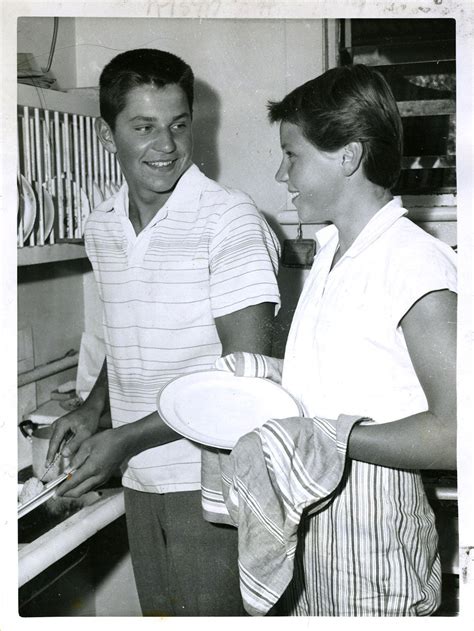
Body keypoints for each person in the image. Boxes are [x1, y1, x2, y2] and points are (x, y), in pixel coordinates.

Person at [211, 64, 457, 616]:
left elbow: (457, 435)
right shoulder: (332, 254)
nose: (280, 174)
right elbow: (349, 384)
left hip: (373, 533)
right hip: (312, 518)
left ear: (348, 156)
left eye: (292, 155)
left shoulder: (415, 264)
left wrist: (329, 437)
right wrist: (263, 376)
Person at [46, 48, 281, 616]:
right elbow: (125, 336)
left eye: (179, 125)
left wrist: (124, 437)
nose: (167, 146)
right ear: (109, 136)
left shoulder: (229, 219)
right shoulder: (101, 224)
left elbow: (240, 385)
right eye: (144, 127)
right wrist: (93, 409)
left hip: (213, 480)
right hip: (142, 478)